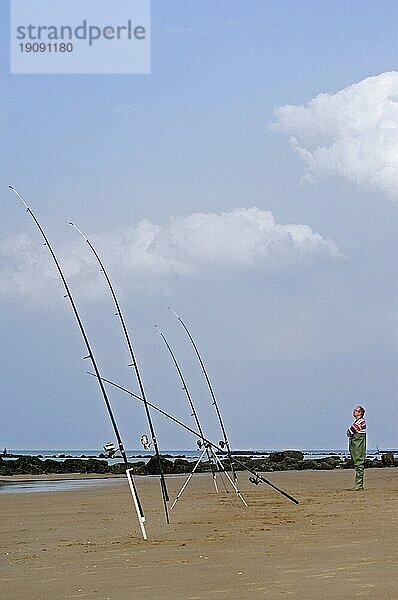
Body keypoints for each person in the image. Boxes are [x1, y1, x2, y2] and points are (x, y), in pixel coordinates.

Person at [346, 406, 366, 490]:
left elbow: (349, 432)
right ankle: (359, 485)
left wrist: (349, 431)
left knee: (358, 463)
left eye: (356, 410)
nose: (354, 411)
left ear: (360, 413)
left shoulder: (360, 422)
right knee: (358, 463)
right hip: (357, 445)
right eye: (354, 410)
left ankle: (359, 485)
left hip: (358, 446)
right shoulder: (358, 421)